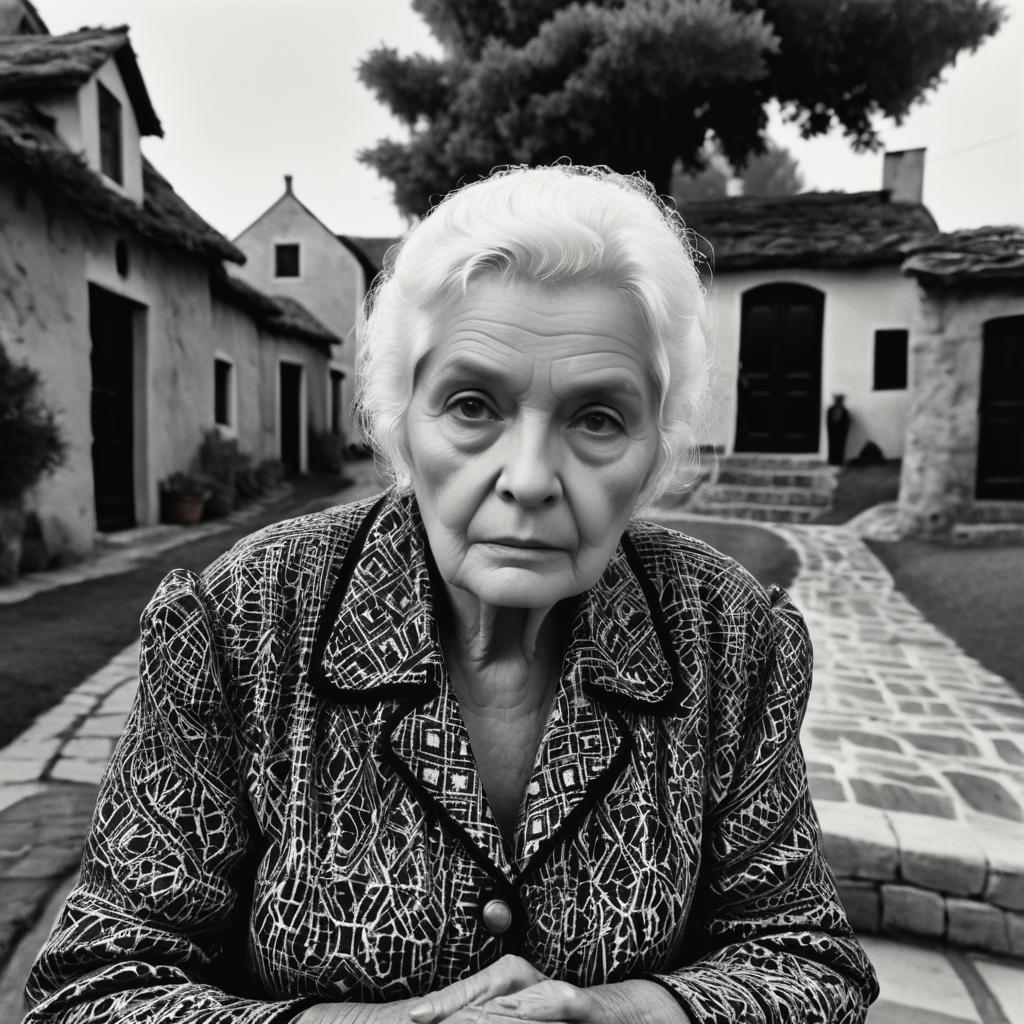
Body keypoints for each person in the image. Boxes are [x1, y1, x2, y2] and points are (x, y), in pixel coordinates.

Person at [24, 165, 878, 1024]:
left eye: (598, 418)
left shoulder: (724, 637)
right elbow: (95, 987)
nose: (530, 478)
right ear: (402, 417)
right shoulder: (246, 620)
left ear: (657, 448)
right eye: (472, 406)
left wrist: (623, 1012)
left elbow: (807, 959)